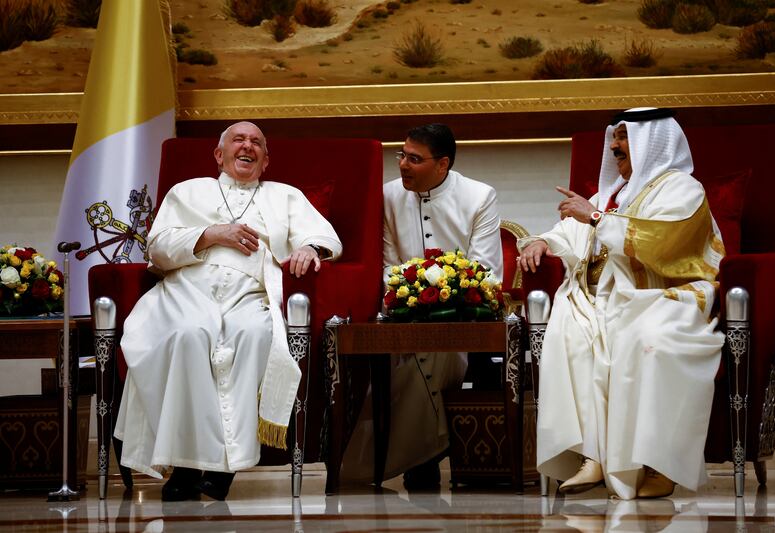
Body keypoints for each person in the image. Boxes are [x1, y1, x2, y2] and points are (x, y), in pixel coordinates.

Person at [114, 121, 342, 501]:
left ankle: (227, 466)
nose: (247, 146)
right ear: (219, 155)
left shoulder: (285, 195)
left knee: (254, 336)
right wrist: (212, 234)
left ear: (265, 161)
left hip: (251, 292)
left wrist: (309, 248)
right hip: (187, 289)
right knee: (188, 336)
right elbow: (157, 247)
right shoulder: (186, 192)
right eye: (238, 140)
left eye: (256, 143)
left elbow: (323, 236)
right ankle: (185, 468)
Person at [517, 108, 724, 500]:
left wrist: (594, 216)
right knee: (574, 333)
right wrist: (543, 242)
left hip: (664, 295)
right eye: (614, 137)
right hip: (604, 296)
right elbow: (571, 230)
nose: (614, 146)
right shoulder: (612, 193)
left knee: (645, 339)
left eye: (625, 138)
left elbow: (663, 244)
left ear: (653, 141)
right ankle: (592, 456)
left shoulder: (681, 189)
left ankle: (658, 465)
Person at [341, 123, 503, 489]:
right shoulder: (386, 196)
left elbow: (487, 270)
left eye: (415, 159)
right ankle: (428, 450)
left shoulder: (479, 196)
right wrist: (408, 291)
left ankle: (414, 456)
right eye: (402, 155)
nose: (403, 165)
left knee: (432, 347)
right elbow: (384, 263)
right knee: (418, 345)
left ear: (443, 164)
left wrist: (448, 292)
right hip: (401, 314)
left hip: (462, 319)